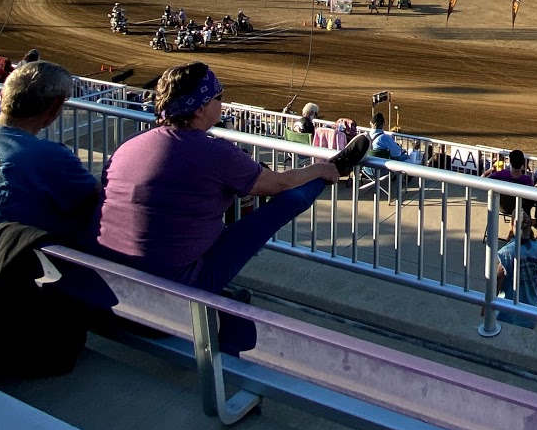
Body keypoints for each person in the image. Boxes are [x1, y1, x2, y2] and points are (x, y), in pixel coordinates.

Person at [93, 63, 369, 292]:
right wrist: (319, 169)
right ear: (200, 108)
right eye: (219, 97)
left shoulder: (129, 145)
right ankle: (334, 169)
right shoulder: (215, 152)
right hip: (173, 292)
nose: (222, 103)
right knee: (286, 202)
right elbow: (279, 184)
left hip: (106, 282)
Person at [0, 62, 100, 240]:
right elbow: (100, 203)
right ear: (56, 106)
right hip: (29, 255)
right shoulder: (49, 156)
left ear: (2, 96)